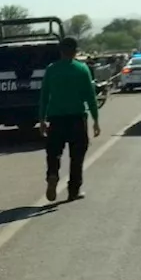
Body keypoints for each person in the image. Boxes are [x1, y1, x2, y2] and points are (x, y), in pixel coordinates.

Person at [38, 36, 101, 203]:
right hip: (77, 119)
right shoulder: (82, 69)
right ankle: (74, 190)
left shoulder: (52, 70)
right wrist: (95, 120)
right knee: (77, 155)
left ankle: (52, 174)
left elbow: (44, 96)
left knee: (53, 152)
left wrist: (42, 119)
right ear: (75, 51)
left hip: (56, 119)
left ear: (60, 51)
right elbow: (90, 96)